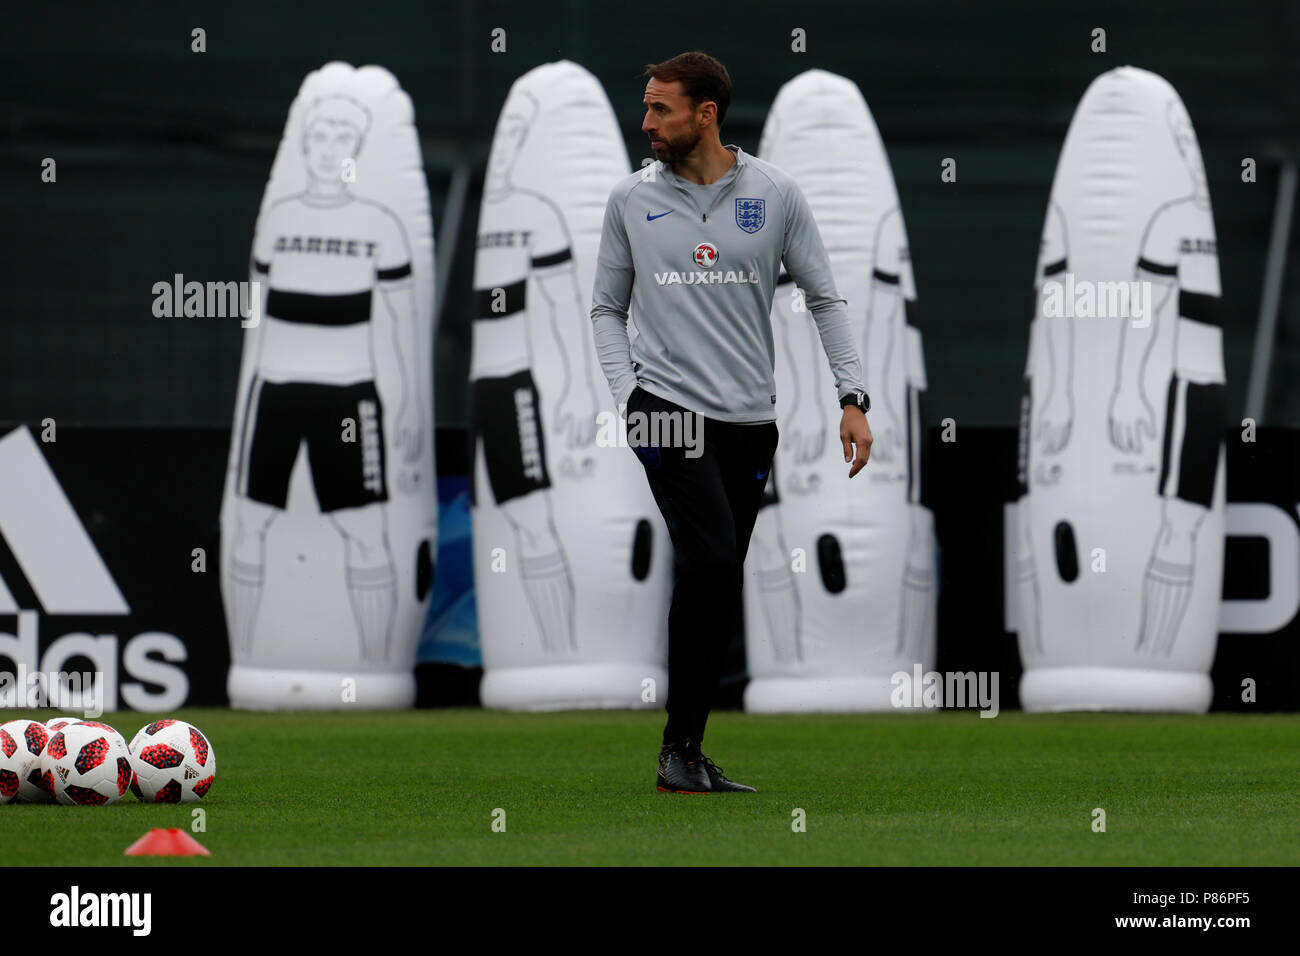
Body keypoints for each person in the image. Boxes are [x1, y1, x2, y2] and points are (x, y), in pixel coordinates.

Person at [590, 52, 872, 793]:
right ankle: (678, 753)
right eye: (646, 108)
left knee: (714, 577)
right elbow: (605, 310)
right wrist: (630, 398)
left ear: (705, 113)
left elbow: (826, 298)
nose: (646, 122)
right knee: (712, 562)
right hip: (666, 413)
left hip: (751, 421)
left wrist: (853, 397)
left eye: (661, 110)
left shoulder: (776, 194)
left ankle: (684, 751)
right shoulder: (629, 200)